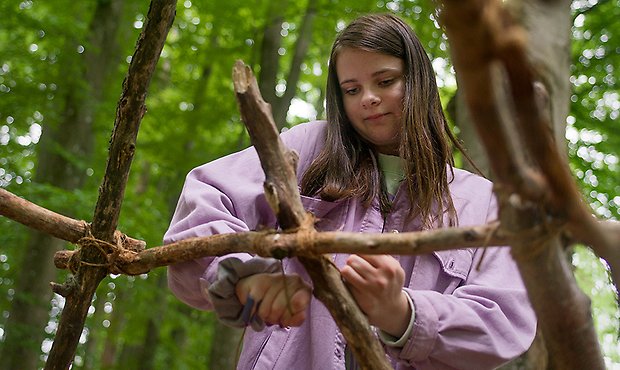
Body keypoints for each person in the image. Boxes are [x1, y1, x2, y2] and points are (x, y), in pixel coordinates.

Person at [165, 13, 536, 370]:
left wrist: (403, 313)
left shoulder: (483, 202)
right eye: (351, 89)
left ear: (420, 80)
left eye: (386, 81)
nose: (368, 98)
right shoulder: (310, 148)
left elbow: (504, 318)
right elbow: (204, 201)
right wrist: (242, 277)